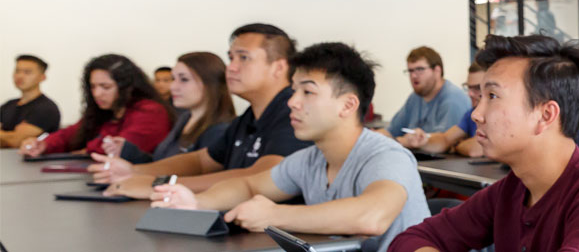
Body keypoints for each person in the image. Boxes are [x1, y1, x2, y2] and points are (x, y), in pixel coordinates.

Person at [152, 42, 428, 252]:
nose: (292, 102)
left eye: (307, 92)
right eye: (294, 90)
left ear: (347, 105)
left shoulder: (386, 155)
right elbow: (249, 186)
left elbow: (372, 216)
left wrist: (274, 215)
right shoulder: (309, 159)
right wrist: (197, 202)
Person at [389, 35, 579, 251]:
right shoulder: (512, 190)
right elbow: (410, 240)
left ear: (545, 115)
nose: (476, 114)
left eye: (492, 96)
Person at [89, 23, 314, 199]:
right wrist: (136, 171)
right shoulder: (248, 118)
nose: (232, 67)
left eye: (243, 57)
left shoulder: (291, 113)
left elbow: (263, 176)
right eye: (231, 57)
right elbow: (201, 161)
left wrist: (159, 184)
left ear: (279, 67)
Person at [18, 54, 173, 156]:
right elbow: (71, 133)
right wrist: (43, 144)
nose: (97, 93)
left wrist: (87, 150)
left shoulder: (150, 112)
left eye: (105, 87)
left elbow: (119, 149)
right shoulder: (105, 111)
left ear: (127, 87)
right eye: (93, 87)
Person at [110, 52, 236, 164]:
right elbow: (162, 165)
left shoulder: (220, 130)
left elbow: (194, 178)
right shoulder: (185, 118)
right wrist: (129, 151)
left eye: (184, 80)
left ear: (210, 83)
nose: (173, 87)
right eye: (174, 79)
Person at [386, 46, 471, 148]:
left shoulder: (453, 98)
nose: (413, 76)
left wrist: (401, 141)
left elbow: (443, 143)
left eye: (420, 69)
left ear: (437, 71)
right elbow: (391, 131)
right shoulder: (415, 97)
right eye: (410, 71)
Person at [407, 62, 487, 157]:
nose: (470, 94)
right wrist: (421, 141)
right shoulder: (470, 113)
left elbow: (476, 150)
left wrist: (456, 146)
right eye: (469, 87)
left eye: (477, 88)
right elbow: (445, 139)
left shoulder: (498, 114)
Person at [1, 55, 61, 148]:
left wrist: (8, 136)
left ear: (42, 77)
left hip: (30, 160)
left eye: (27, 72)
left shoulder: (46, 108)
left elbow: (16, 142)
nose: (20, 76)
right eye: (17, 71)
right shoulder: (8, 105)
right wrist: (9, 135)